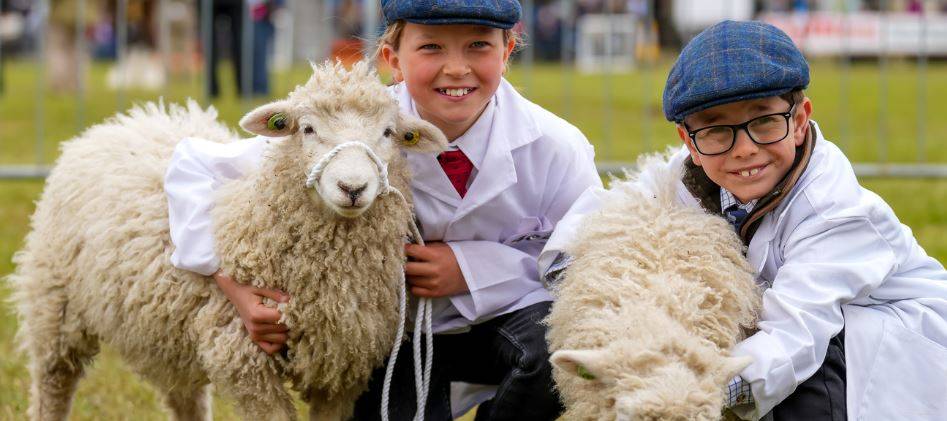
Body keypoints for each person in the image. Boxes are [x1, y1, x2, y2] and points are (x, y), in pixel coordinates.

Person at [163, 0, 602, 419]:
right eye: (431, 46)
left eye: (479, 45)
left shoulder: (555, 147)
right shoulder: (353, 124)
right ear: (392, 58)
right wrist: (229, 283)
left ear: (507, 51)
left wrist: (473, 269)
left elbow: (588, 259)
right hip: (394, 340)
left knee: (557, 348)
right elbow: (193, 165)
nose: (456, 67)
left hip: (508, 324)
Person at [540, 20, 947, 421]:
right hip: (794, 339)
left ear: (800, 120)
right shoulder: (681, 178)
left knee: (813, 371)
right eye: (717, 130)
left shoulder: (839, 213)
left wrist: (686, 386)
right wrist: (599, 298)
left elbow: (795, 335)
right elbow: (592, 225)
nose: (744, 150)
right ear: (689, 143)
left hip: (887, 347)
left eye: (765, 121)